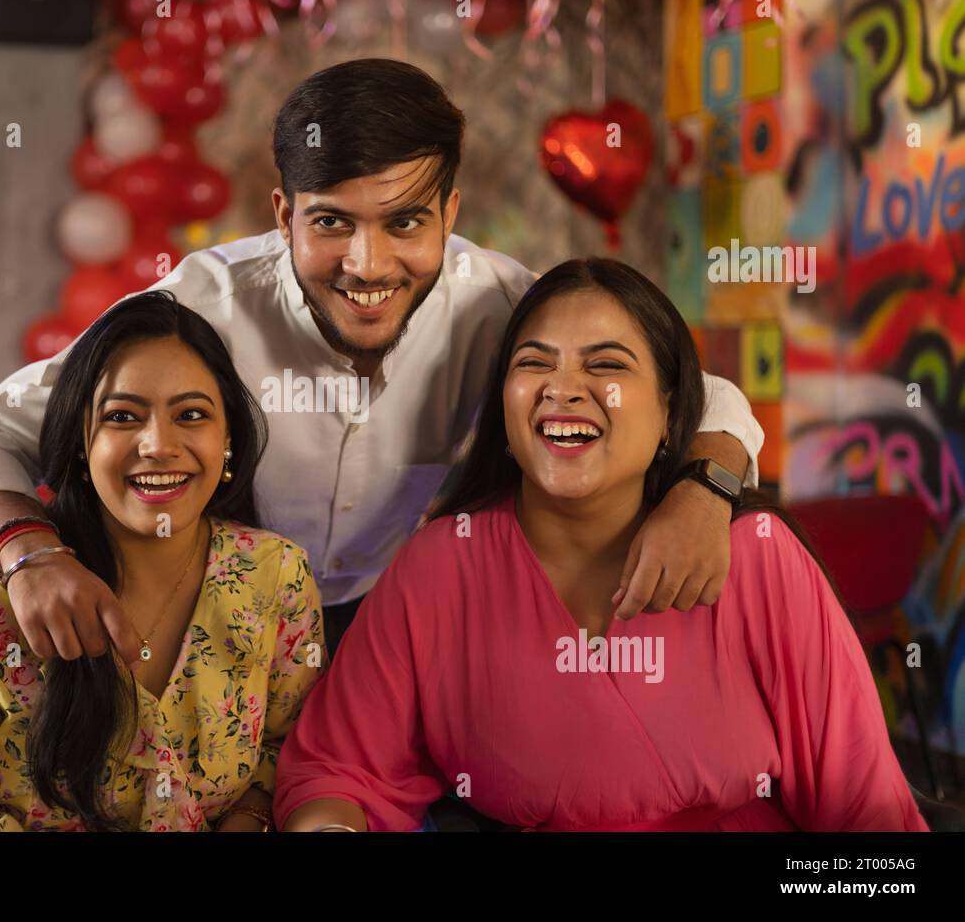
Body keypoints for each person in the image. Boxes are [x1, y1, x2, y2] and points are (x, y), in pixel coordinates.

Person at [0, 58, 763, 666]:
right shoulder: (200, 305)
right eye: (331, 223)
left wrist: (704, 490)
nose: (368, 265)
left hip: (401, 617)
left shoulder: (509, 309)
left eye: (405, 222)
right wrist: (31, 551)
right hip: (207, 618)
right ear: (285, 213)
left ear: (451, 214)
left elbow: (711, 397)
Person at [273, 258, 929, 833]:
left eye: (606, 364)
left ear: (674, 414)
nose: (564, 387)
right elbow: (336, 768)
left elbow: (867, 813)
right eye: (534, 363)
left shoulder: (756, 557)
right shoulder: (442, 567)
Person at [0, 293, 323, 831]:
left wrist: (249, 816)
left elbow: (291, 750)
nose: (158, 445)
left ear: (230, 440)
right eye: (123, 416)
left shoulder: (276, 576)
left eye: (191, 415)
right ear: (80, 442)